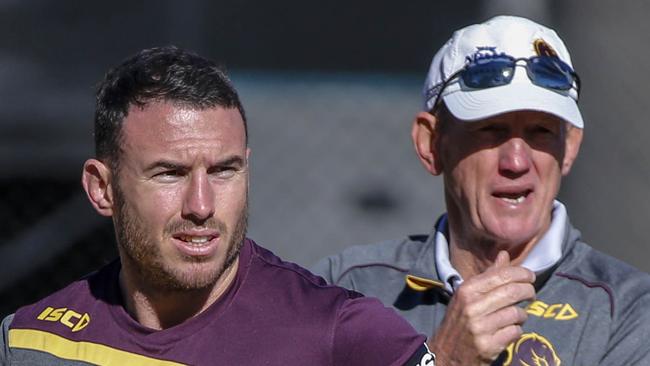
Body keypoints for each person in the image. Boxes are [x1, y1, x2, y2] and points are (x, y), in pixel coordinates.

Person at [0, 46, 434, 365]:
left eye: (224, 171)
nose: (202, 205)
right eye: (170, 173)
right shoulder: (32, 342)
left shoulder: (342, 336)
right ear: (102, 188)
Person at [313, 15, 650, 365]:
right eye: (491, 130)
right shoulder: (346, 287)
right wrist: (443, 359)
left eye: (541, 132)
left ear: (570, 147)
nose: (517, 161)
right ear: (431, 144)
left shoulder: (627, 310)